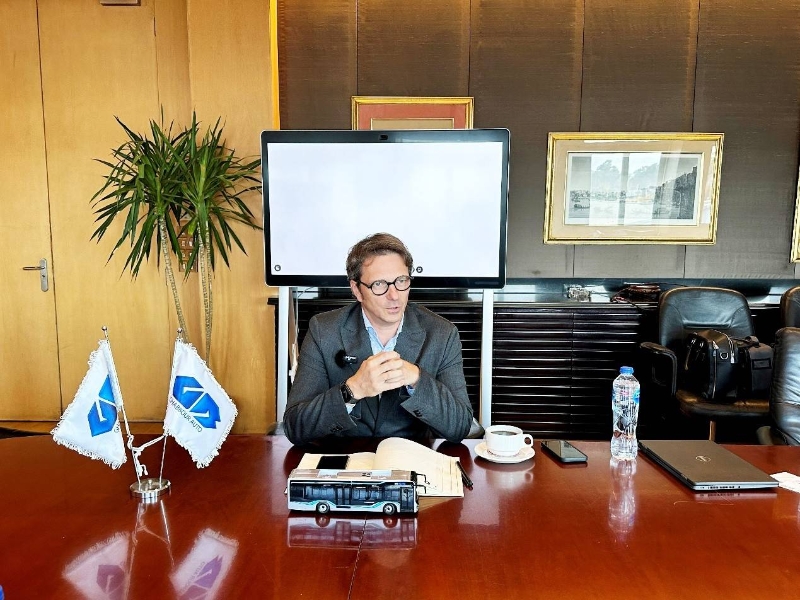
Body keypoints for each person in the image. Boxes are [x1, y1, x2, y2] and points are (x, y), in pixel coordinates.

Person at [284, 233, 474, 445]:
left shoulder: (442, 334)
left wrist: (416, 379)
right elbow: (295, 427)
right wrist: (352, 389)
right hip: (342, 456)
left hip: (410, 458)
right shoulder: (324, 330)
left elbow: (460, 427)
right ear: (357, 290)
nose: (394, 295)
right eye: (379, 284)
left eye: (401, 281)